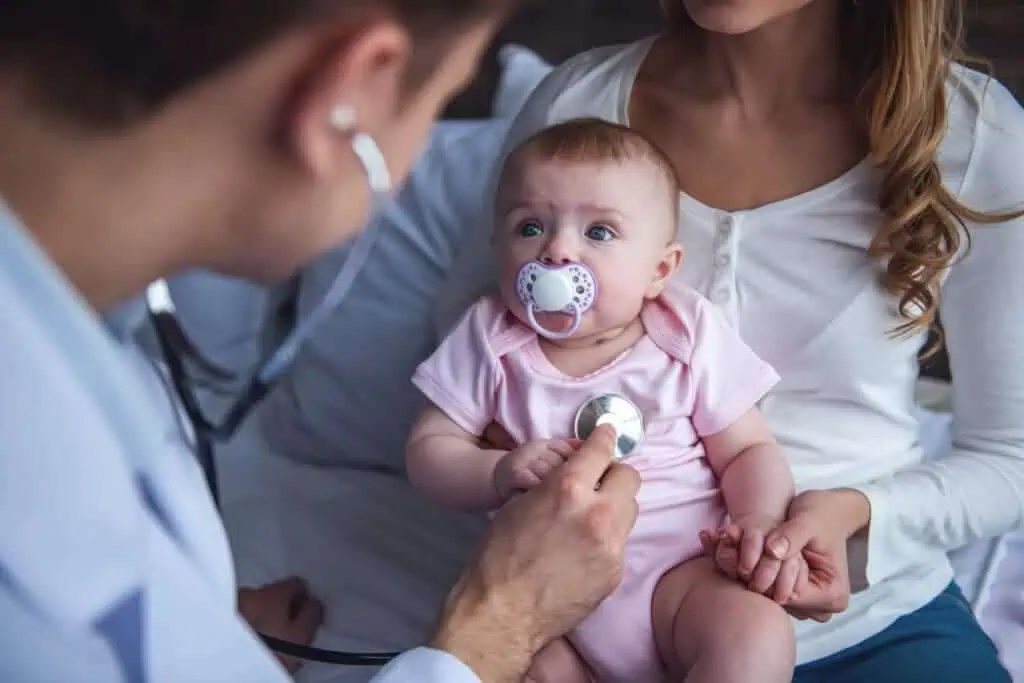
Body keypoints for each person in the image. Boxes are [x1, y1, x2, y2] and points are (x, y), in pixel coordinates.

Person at [0, 1, 644, 682]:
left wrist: (205, 639)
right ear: (348, 96)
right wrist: (496, 625)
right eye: (440, 102)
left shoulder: (92, 343)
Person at [435, 0, 1024, 681]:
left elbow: (1010, 457)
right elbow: (471, 359)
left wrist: (855, 517)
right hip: (582, 623)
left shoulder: (974, 136)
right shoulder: (577, 107)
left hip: (874, 622)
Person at [407, 118, 803, 683]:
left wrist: (758, 520)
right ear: (497, 249)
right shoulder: (491, 338)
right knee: (524, 670)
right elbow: (430, 448)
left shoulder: (684, 332)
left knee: (756, 633)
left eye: (598, 233)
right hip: (544, 599)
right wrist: (496, 471)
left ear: (658, 271)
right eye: (530, 227)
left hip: (684, 576)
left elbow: (746, 451)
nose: (557, 252)